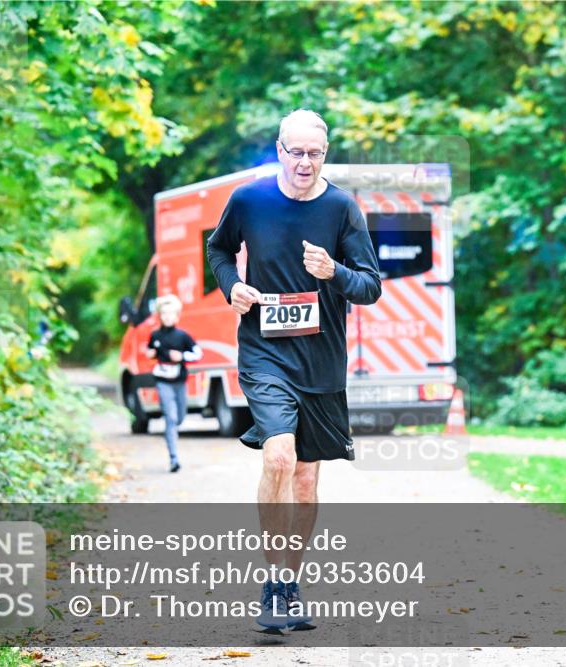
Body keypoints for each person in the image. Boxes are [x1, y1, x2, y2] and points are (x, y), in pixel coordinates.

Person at [205, 108, 381, 631]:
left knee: (306, 479)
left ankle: (290, 583)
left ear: (325, 155)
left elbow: (370, 285)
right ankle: (272, 581)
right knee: (280, 454)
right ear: (279, 150)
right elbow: (218, 248)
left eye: (315, 153)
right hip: (264, 351)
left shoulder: (342, 208)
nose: (305, 163)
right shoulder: (249, 200)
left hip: (322, 360)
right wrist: (231, 286)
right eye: (296, 152)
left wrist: (336, 271)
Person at [142, 294, 203, 473]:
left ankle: (171, 432)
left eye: (171, 314)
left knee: (180, 417)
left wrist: (182, 356)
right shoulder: (155, 335)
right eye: (164, 314)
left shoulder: (183, 336)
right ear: (160, 316)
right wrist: (150, 353)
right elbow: (149, 350)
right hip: (162, 381)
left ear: (177, 316)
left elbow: (198, 354)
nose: (167, 317)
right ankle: (173, 457)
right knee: (171, 418)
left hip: (179, 380)